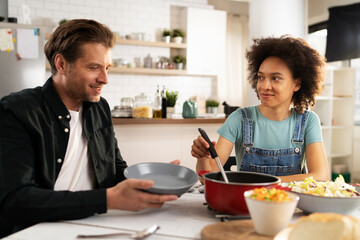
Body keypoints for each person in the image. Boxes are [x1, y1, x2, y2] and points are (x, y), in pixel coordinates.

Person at [0, 19, 177, 237]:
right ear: (61, 64)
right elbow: (16, 201)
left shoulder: (99, 107)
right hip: (37, 231)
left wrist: (152, 182)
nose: (104, 79)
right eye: (94, 67)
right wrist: (108, 199)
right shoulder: (17, 111)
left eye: (107, 68)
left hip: (93, 225)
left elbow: (116, 171)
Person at [192, 36, 329, 183]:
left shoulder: (308, 121)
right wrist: (203, 158)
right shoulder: (239, 119)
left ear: (296, 84)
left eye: (275, 78)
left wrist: (267, 184)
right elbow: (206, 178)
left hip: (289, 204)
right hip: (247, 204)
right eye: (261, 77)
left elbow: (320, 176)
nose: (264, 86)